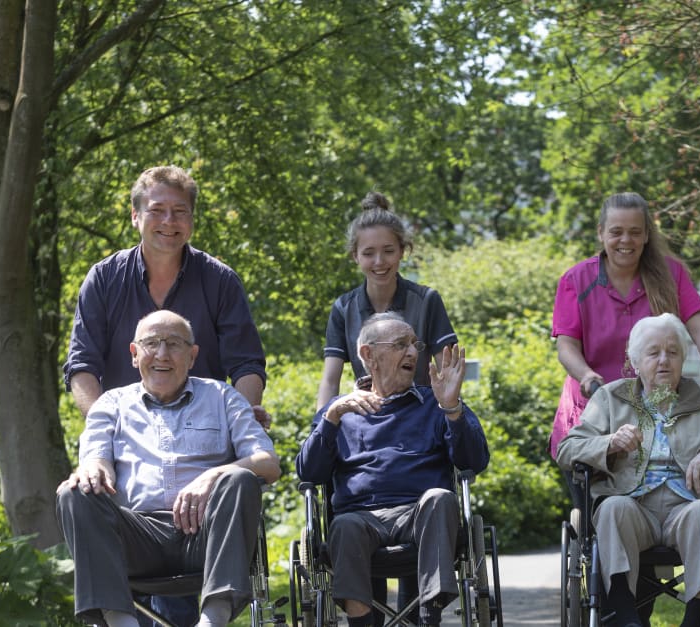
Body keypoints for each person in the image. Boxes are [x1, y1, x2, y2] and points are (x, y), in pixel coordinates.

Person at [63, 165, 270, 624]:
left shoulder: (218, 280)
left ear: (192, 220)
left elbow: (246, 363)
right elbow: (82, 366)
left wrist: (243, 415)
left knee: (220, 495)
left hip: (207, 444)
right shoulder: (105, 280)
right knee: (78, 492)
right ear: (136, 216)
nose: (169, 222)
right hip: (129, 452)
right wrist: (104, 437)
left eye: (180, 212)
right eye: (157, 210)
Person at [56, 310, 282, 627]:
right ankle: (122, 622)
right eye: (151, 343)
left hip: (205, 536)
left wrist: (213, 475)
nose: (162, 354)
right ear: (135, 355)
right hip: (136, 539)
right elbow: (95, 458)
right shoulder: (111, 404)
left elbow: (268, 463)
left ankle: (212, 620)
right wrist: (94, 466)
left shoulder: (223, 397)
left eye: (174, 344)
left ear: (192, 356)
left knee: (239, 477)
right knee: (74, 491)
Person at [555, 314, 700, 627]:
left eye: (673, 352)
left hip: (690, 506)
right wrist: (609, 443)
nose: (663, 361)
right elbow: (568, 449)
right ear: (635, 361)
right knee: (612, 508)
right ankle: (628, 618)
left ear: (684, 358)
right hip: (632, 507)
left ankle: (693, 620)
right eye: (653, 353)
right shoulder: (611, 399)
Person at [297, 312, 489, 627]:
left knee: (440, 498)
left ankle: (429, 618)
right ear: (368, 355)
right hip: (360, 519)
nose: (413, 352)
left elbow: (474, 461)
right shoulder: (340, 411)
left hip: (421, 516)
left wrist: (452, 409)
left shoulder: (436, 402)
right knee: (343, 526)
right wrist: (330, 419)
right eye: (401, 344)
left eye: (415, 344)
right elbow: (310, 474)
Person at [551, 192, 700, 505]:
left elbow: (699, 323)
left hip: (657, 406)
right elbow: (566, 346)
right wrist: (587, 376)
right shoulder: (577, 279)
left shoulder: (670, 274)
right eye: (616, 232)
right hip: (595, 409)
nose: (625, 241)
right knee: (600, 516)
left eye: (634, 232)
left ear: (646, 235)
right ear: (601, 233)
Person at [316, 191, 457, 409]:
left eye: (389, 251)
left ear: (402, 251)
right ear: (355, 256)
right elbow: (330, 381)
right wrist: (321, 428)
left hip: (423, 420)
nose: (379, 262)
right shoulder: (344, 308)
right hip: (369, 423)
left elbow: (449, 374)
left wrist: (452, 420)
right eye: (368, 253)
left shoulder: (427, 301)